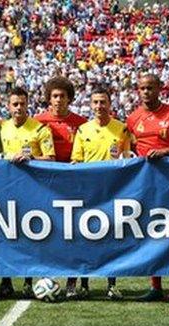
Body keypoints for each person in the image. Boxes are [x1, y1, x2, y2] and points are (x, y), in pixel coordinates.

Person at [126, 73, 169, 305]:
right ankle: (155, 286)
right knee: (151, 234)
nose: (146, 92)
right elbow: (131, 147)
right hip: (146, 185)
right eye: (142, 88)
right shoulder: (133, 118)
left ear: (160, 89)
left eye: (150, 88)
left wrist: (165, 152)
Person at [70, 85, 131, 301]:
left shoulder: (121, 129)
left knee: (111, 238)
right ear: (90, 104)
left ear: (109, 103)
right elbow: (76, 161)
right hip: (88, 193)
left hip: (113, 191)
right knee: (85, 238)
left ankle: (111, 284)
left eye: (102, 102)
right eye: (95, 102)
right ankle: (84, 284)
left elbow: (127, 159)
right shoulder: (83, 130)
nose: (99, 106)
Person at [0, 87, 55, 299]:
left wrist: (30, 159)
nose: (19, 108)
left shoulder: (40, 130)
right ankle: (6, 281)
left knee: (30, 235)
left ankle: (29, 281)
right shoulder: (1, 128)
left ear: (28, 104)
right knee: (7, 234)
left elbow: (51, 158)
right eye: (15, 104)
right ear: (8, 106)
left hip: (33, 190)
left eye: (22, 103)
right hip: (6, 189)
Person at [34, 76, 87, 299]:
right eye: (54, 96)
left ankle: (74, 282)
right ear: (49, 98)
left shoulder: (81, 123)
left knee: (75, 234)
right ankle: (47, 274)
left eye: (62, 96)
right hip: (46, 186)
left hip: (74, 186)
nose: (58, 100)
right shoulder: (38, 122)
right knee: (48, 233)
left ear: (70, 98)